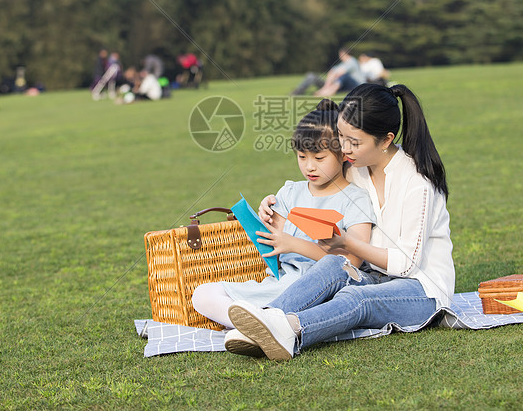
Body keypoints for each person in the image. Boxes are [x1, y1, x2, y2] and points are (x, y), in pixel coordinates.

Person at [226, 83, 453, 360]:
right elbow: (313, 186)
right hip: (375, 277)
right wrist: (273, 204)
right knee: (333, 262)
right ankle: (264, 321)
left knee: (356, 300)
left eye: (353, 142)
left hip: (421, 290)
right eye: (341, 137)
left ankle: (290, 330)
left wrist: (347, 242)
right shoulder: (357, 170)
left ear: (385, 140)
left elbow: (407, 265)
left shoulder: (417, 182)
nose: (343, 149)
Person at [191, 99, 375, 342]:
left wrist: (293, 244)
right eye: (302, 156)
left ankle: (261, 324)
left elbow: (351, 263)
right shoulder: (289, 193)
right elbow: (273, 250)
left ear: (343, 154)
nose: (309, 166)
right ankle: (258, 325)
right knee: (203, 294)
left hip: (322, 288)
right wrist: (264, 220)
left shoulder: (355, 199)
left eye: (319, 158)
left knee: (317, 297)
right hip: (281, 282)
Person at [291, 48, 367, 97]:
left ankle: (327, 91)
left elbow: (339, 73)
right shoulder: (343, 63)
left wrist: (327, 86)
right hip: (336, 85)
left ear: (344, 54)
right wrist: (328, 84)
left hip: (356, 85)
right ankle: (298, 91)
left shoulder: (352, 61)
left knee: (345, 76)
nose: (340, 56)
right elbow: (332, 71)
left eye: (340, 54)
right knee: (311, 76)